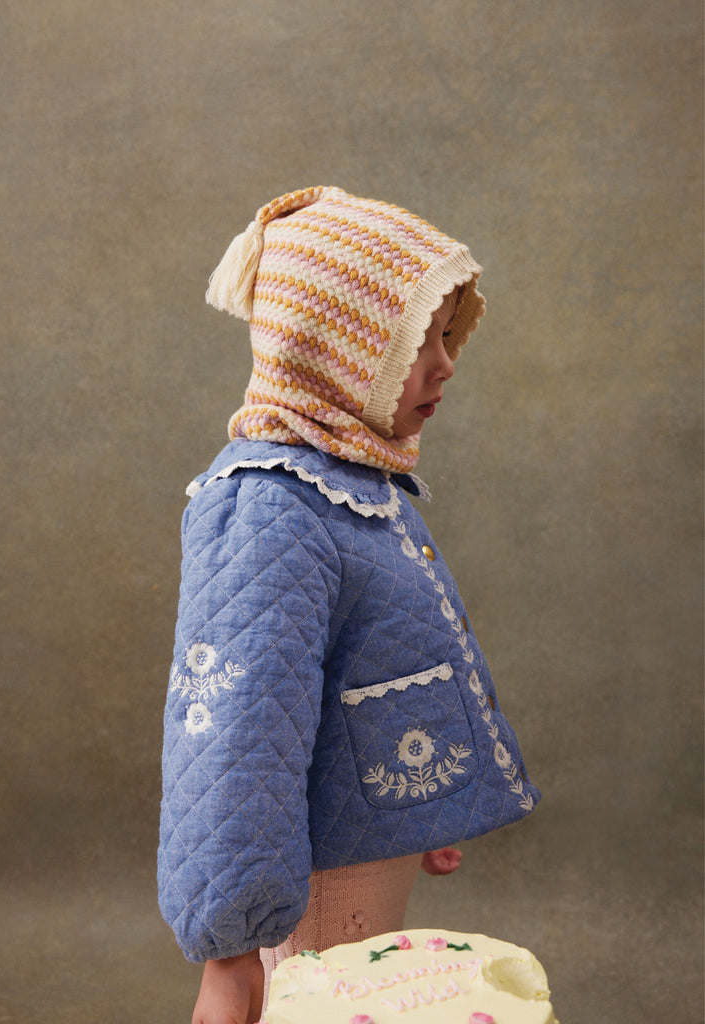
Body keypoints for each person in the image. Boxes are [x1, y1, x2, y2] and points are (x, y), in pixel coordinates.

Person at [157, 186, 540, 1024]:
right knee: (324, 1004)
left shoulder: (352, 484)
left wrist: (424, 805)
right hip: (314, 879)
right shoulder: (270, 509)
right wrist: (230, 951)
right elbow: (234, 740)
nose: (446, 363)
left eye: (448, 336)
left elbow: (385, 659)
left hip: (359, 850)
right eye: (417, 343)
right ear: (334, 351)